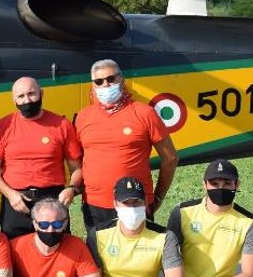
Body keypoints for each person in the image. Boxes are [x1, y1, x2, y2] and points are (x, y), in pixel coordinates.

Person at [75, 59, 179, 230]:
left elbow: (171, 158)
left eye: (111, 79)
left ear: (121, 80)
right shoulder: (83, 117)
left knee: (139, 255)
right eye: (99, 82)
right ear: (93, 85)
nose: (106, 85)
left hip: (134, 203)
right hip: (95, 206)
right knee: (99, 256)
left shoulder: (145, 113)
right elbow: (77, 161)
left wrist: (158, 198)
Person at [0, 77, 83, 239]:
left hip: (52, 199)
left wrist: (72, 190)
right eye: (21, 96)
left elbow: (77, 168)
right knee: (15, 253)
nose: (27, 100)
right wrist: (10, 195)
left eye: (31, 94)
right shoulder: (3, 126)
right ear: (14, 99)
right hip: (16, 201)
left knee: (56, 252)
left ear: (41, 93)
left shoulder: (62, 125)